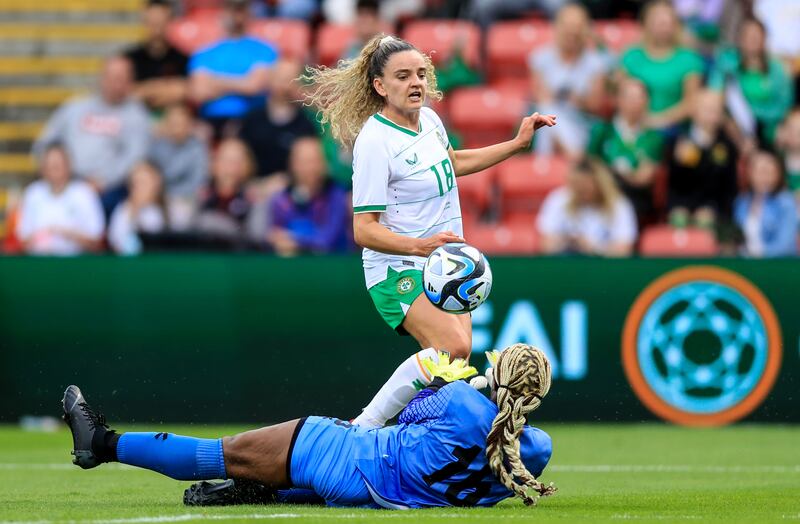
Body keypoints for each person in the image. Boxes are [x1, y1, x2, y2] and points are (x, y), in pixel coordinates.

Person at [302, 34, 555, 426]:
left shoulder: (431, 121)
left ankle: (419, 433)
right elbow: (364, 230)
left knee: (456, 356)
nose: (416, 82)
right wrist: (420, 247)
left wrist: (516, 145)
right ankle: (363, 426)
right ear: (380, 86)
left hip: (444, 264)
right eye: (403, 76)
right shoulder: (375, 141)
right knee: (452, 347)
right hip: (396, 268)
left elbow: (453, 162)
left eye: (420, 73)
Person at [62, 343, 556, 509]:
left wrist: (457, 383)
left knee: (216, 452)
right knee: (255, 471)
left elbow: (407, 415)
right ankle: (251, 490)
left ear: (497, 375)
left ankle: (100, 443)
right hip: (373, 497)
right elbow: (500, 441)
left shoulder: (462, 402)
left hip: (347, 455)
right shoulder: (537, 451)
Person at [32, 55, 150, 215]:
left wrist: (104, 181)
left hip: (111, 189)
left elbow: (135, 157)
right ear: (101, 77)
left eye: (120, 78)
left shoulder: (136, 115)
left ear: (130, 82)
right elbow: (44, 143)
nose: (114, 83)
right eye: (110, 77)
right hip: (65, 183)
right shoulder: (74, 107)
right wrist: (57, 173)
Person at [528, 3, 610, 159]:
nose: (572, 32)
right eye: (568, 26)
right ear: (557, 27)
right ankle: (574, 158)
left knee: (547, 117)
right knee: (547, 114)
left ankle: (543, 164)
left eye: (577, 27)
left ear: (586, 30)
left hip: (581, 123)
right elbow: (540, 97)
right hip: (550, 119)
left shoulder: (596, 62)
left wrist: (578, 100)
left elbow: (595, 105)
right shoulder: (540, 57)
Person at [189, 0, 279, 138]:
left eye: (241, 9)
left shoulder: (265, 50)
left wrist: (214, 82)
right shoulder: (204, 52)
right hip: (211, 120)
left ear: (249, 13)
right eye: (232, 9)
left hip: (251, 118)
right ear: (223, 13)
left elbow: (254, 86)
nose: (237, 16)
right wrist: (241, 83)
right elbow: (199, 92)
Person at [708, 16, 794, 150]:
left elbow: (784, 107)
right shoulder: (727, 63)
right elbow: (714, 95)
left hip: (767, 130)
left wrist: (763, 124)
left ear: (764, 38)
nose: (752, 40)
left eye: (756, 35)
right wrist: (732, 127)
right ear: (739, 38)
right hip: (729, 127)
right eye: (747, 35)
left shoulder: (776, 70)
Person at [619, 0, 704, 132]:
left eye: (668, 23)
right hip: (634, 125)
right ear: (646, 24)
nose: (663, 27)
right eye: (658, 22)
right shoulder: (631, 56)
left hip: (674, 129)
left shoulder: (688, 59)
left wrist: (659, 120)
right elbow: (620, 94)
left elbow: (691, 102)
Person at [587, 78, 664, 222]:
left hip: (635, 199)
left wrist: (618, 171)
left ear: (647, 102)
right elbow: (590, 166)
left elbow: (643, 177)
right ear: (618, 100)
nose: (635, 102)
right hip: (601, 195)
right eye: (630, 97)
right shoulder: (602, 131)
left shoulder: (653, 138)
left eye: (639, 97)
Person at [666, 89, 738, 230]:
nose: (712, 115)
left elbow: (729, 186)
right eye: (707, 109)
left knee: (705, 222)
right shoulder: (680, 140)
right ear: (694, 112)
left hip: (714, 203)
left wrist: (715, 209)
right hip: (682, 202)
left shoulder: (727, 145)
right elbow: (674, 183)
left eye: (716, 110)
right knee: (679, 219)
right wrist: (678, 162)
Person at [266, 137, 351, 255]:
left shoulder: (337, 196)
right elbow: (273, 237)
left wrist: (294, 240)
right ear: (292, 164)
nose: (311, 168)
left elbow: (328, 240)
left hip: (333, 263)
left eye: (315, 161)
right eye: (304, 162)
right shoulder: (280, 200)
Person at [16, 144, 105, 256]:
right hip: (39, 261)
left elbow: (96, 240)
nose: (53, 170)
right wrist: (42, 236)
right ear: (42, 169)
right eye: (49, 166)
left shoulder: (84, 193)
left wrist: (66, 233)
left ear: (68, 166)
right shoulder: (33, 193)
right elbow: (23, 239)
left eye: (57, 166)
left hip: (77, 262)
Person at [537, 159, 637, 257]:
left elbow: (624, 250)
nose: (580, 190)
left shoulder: (618, 204)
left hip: (602, 264)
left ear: (600, 184)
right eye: (576, 185)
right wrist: (568, 241)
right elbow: (546, 245)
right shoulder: (559, 199)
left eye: (585, 186)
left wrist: (594, 248)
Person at [238, 59, 318, 180]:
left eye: (290, 79)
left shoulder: (307, 122)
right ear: (270, 80)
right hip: (253, 185)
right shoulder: (252, 119)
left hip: (292, 186)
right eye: (280, 78)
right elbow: (241, 155)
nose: (284, 86)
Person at [148, 103, 208, 231]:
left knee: (180, 217)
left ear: (189, 126)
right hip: (158, 198)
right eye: (172, 123)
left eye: (181, 124)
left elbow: (198, 181)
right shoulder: (157, 145)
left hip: (185, 199)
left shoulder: (197, 148)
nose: (176, 128)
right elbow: (150, 174)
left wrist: (172, 195)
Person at [124, 0, 189, 112]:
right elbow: (125, 93)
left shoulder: (182, 59)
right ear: (144, 22)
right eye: (152, 23)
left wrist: (145, 90)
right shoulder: (129, 59)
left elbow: (185, 91)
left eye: (161, 23)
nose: (157, 30)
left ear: (170, 22)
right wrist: (167, 88)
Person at [734, 150, 798, 257]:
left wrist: (757, 254)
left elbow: (784, 245)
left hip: (776, 263)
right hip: (746, 261)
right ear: (749, 173)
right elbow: (736, 238)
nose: (764, 176)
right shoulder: (742, 201)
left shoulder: (786, 202)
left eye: (769, 171)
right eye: (760, 171)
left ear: (778, 174)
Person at [108, 162, 167, 255]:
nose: (139, 188)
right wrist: (135, 210)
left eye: (144, 182)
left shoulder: (171, 209)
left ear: (157, 183)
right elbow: (116, 241)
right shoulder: (125, 208)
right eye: (135, 183)